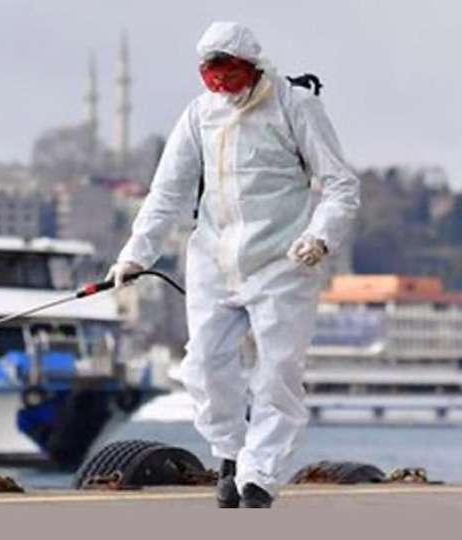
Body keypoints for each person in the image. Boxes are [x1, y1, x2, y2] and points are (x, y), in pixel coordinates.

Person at [106, 21, 360, 508]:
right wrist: (136, 255)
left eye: (230, 75)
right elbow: (167, 192)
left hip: (283, 262)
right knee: (203, 365)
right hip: (213, 259)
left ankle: (259, 474)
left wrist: (320, 237)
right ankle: (228, 452)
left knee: (278, 372)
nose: (222, 86)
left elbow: (340, 185)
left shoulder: (295, 105)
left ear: (252, 66)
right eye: (211, 76)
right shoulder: (200, 115)